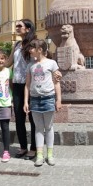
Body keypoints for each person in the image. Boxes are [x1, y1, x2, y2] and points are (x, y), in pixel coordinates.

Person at [23, 39, 62, 167]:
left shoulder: (52, 63)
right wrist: (25, 101)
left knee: (49, 127)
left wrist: (58, 100)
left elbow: (57, 83)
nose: (30, 50)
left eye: (32, 48)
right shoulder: (30, 65)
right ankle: (39, 155)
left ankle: (49, 155)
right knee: (38, 128)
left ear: (40, 50)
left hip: (48, 98)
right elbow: (27, 85)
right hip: (35, 99)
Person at [5, 19, 38, 160]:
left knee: (33, 117)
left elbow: (39, 61)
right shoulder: (17, 44)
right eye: (16, 26)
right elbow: (9, 62)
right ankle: (23, 146)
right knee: (19, 117)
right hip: (18, 85)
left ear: (28, 29)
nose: (17, 28)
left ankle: (35, 148)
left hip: (31, 85)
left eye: (20, 26)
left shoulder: (35, 43)